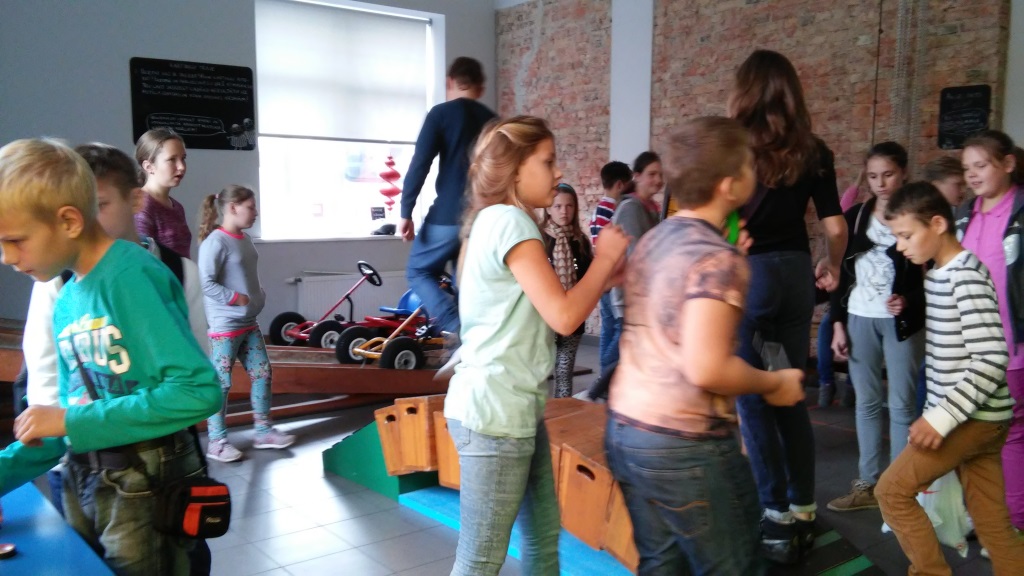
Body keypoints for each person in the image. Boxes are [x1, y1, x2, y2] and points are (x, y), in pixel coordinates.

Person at [0, 138, 221, 575]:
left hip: (144, 482)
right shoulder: (67, 295)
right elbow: (66, 422)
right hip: (87, 475)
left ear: (68, 220)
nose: (6, 258)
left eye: (15, 240)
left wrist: (69, 421)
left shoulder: (130, 277)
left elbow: (197, 392)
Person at [605, 116, 805, 575]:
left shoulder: (655, 238)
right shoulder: (719, 258)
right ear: (730, 187)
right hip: (685, 446)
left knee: (662, 565)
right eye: (750, 165)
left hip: (626, 430)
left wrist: (729, 255)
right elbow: (707, 368)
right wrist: (774, 383)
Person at [443, 116, 629, 575]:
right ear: (515, 168)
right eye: (548, 161)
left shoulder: (493, 219)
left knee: (542, 538)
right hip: (496, 416)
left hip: (512, 409)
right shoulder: (511, 221)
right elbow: (564, 316)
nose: (558, 171)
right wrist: (604, 258)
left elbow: (549, 302)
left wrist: (607, 275)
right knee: (479, 561)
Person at [728, 49, 848, 563]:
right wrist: (832, 265)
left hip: (751, 276)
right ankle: (803, 510)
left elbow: (725, 220)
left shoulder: (735, 145)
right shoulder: (813, 150)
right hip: (796, 275)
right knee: (790, 390)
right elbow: (836, 226)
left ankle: (775, 516)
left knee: (755, 397)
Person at [878, 181, 1024, 574]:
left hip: (971, 420)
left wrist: (940, 418)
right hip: (981, 419)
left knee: (891, 492)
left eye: (906, 235)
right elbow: (949, 360)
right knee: (992, 524)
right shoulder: (940, 274)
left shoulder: (965, 275)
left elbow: (991, 358)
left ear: (938, 224)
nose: (900, 246)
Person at [826, 142, 925, 513]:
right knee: (866, 403)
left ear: (904, 173)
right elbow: (838, 273)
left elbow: (933, 275)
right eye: (872, 176)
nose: (880, 183)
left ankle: (898, 491)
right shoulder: (855, 216)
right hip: (858, 316)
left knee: (901, 405)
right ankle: (867, 483)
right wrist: (837, 324)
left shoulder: (918, 216)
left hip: (901, 322)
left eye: (888, 174)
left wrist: (909, 300)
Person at [399, 56, 497, 340]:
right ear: (481, 87)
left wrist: (406, 211)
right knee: (465, 282)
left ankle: (456, 328)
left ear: (449, 82)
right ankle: (472, 344)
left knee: (418, 271)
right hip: (482, 218)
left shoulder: (440, 114)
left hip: (446, 217)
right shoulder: (493, 122)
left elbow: (420, 164)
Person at [955, 129, 1024, 532]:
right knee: (972, 432)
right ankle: (978, 513)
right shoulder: (965, 214)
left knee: (1010, 434)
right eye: (967, 168)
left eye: (981, 165)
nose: (972, 175)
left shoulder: (1020, 213)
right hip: (969, 347)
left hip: (1011, 347)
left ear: (1008, 164)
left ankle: (1012, 523)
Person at [197, 185, 295, 463]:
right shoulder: (215, 242)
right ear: (232, 208)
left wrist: (257, 295)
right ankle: (217, 442)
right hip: (225, 327)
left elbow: (246, 274)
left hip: (249, 322)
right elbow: (206, 283)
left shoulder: (244, 239)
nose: (255, 212)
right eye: (250, 207)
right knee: (221, 383)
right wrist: (234, 298)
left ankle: (263, 432)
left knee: (262, 374)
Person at [817, 170, 865, 407]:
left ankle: (849, 387)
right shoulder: (848, 219)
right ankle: (829, 384)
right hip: (842, 290)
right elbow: (846, 199)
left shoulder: (858, 225)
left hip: (856, 294)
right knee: (828, 329)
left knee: (853, 336)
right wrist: (859, 178)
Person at [541, 182, 592, 398]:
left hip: (573, 316)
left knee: (564, 370)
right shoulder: (539, 240)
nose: (564, 211)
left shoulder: (581, 242)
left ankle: (562, 410)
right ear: (548, 209)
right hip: (543, 318)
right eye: (558, 206)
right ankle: (539, 413)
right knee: (539, 371)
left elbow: (588, 280)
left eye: (569, 206)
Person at [589, 161, 633, 381]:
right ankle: (606, 373)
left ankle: (602, 373)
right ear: (620, 185)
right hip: (611, 277)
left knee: (608, 327)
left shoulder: (597, 209)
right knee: (619, 328)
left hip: (602, 276)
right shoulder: (615, 210)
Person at [135, 127, 192, 258]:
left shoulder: (177, 207)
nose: (181, 167)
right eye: (172, 159)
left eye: (183, 158)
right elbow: (142, 260)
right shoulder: (141, 206)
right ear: (149, 166)